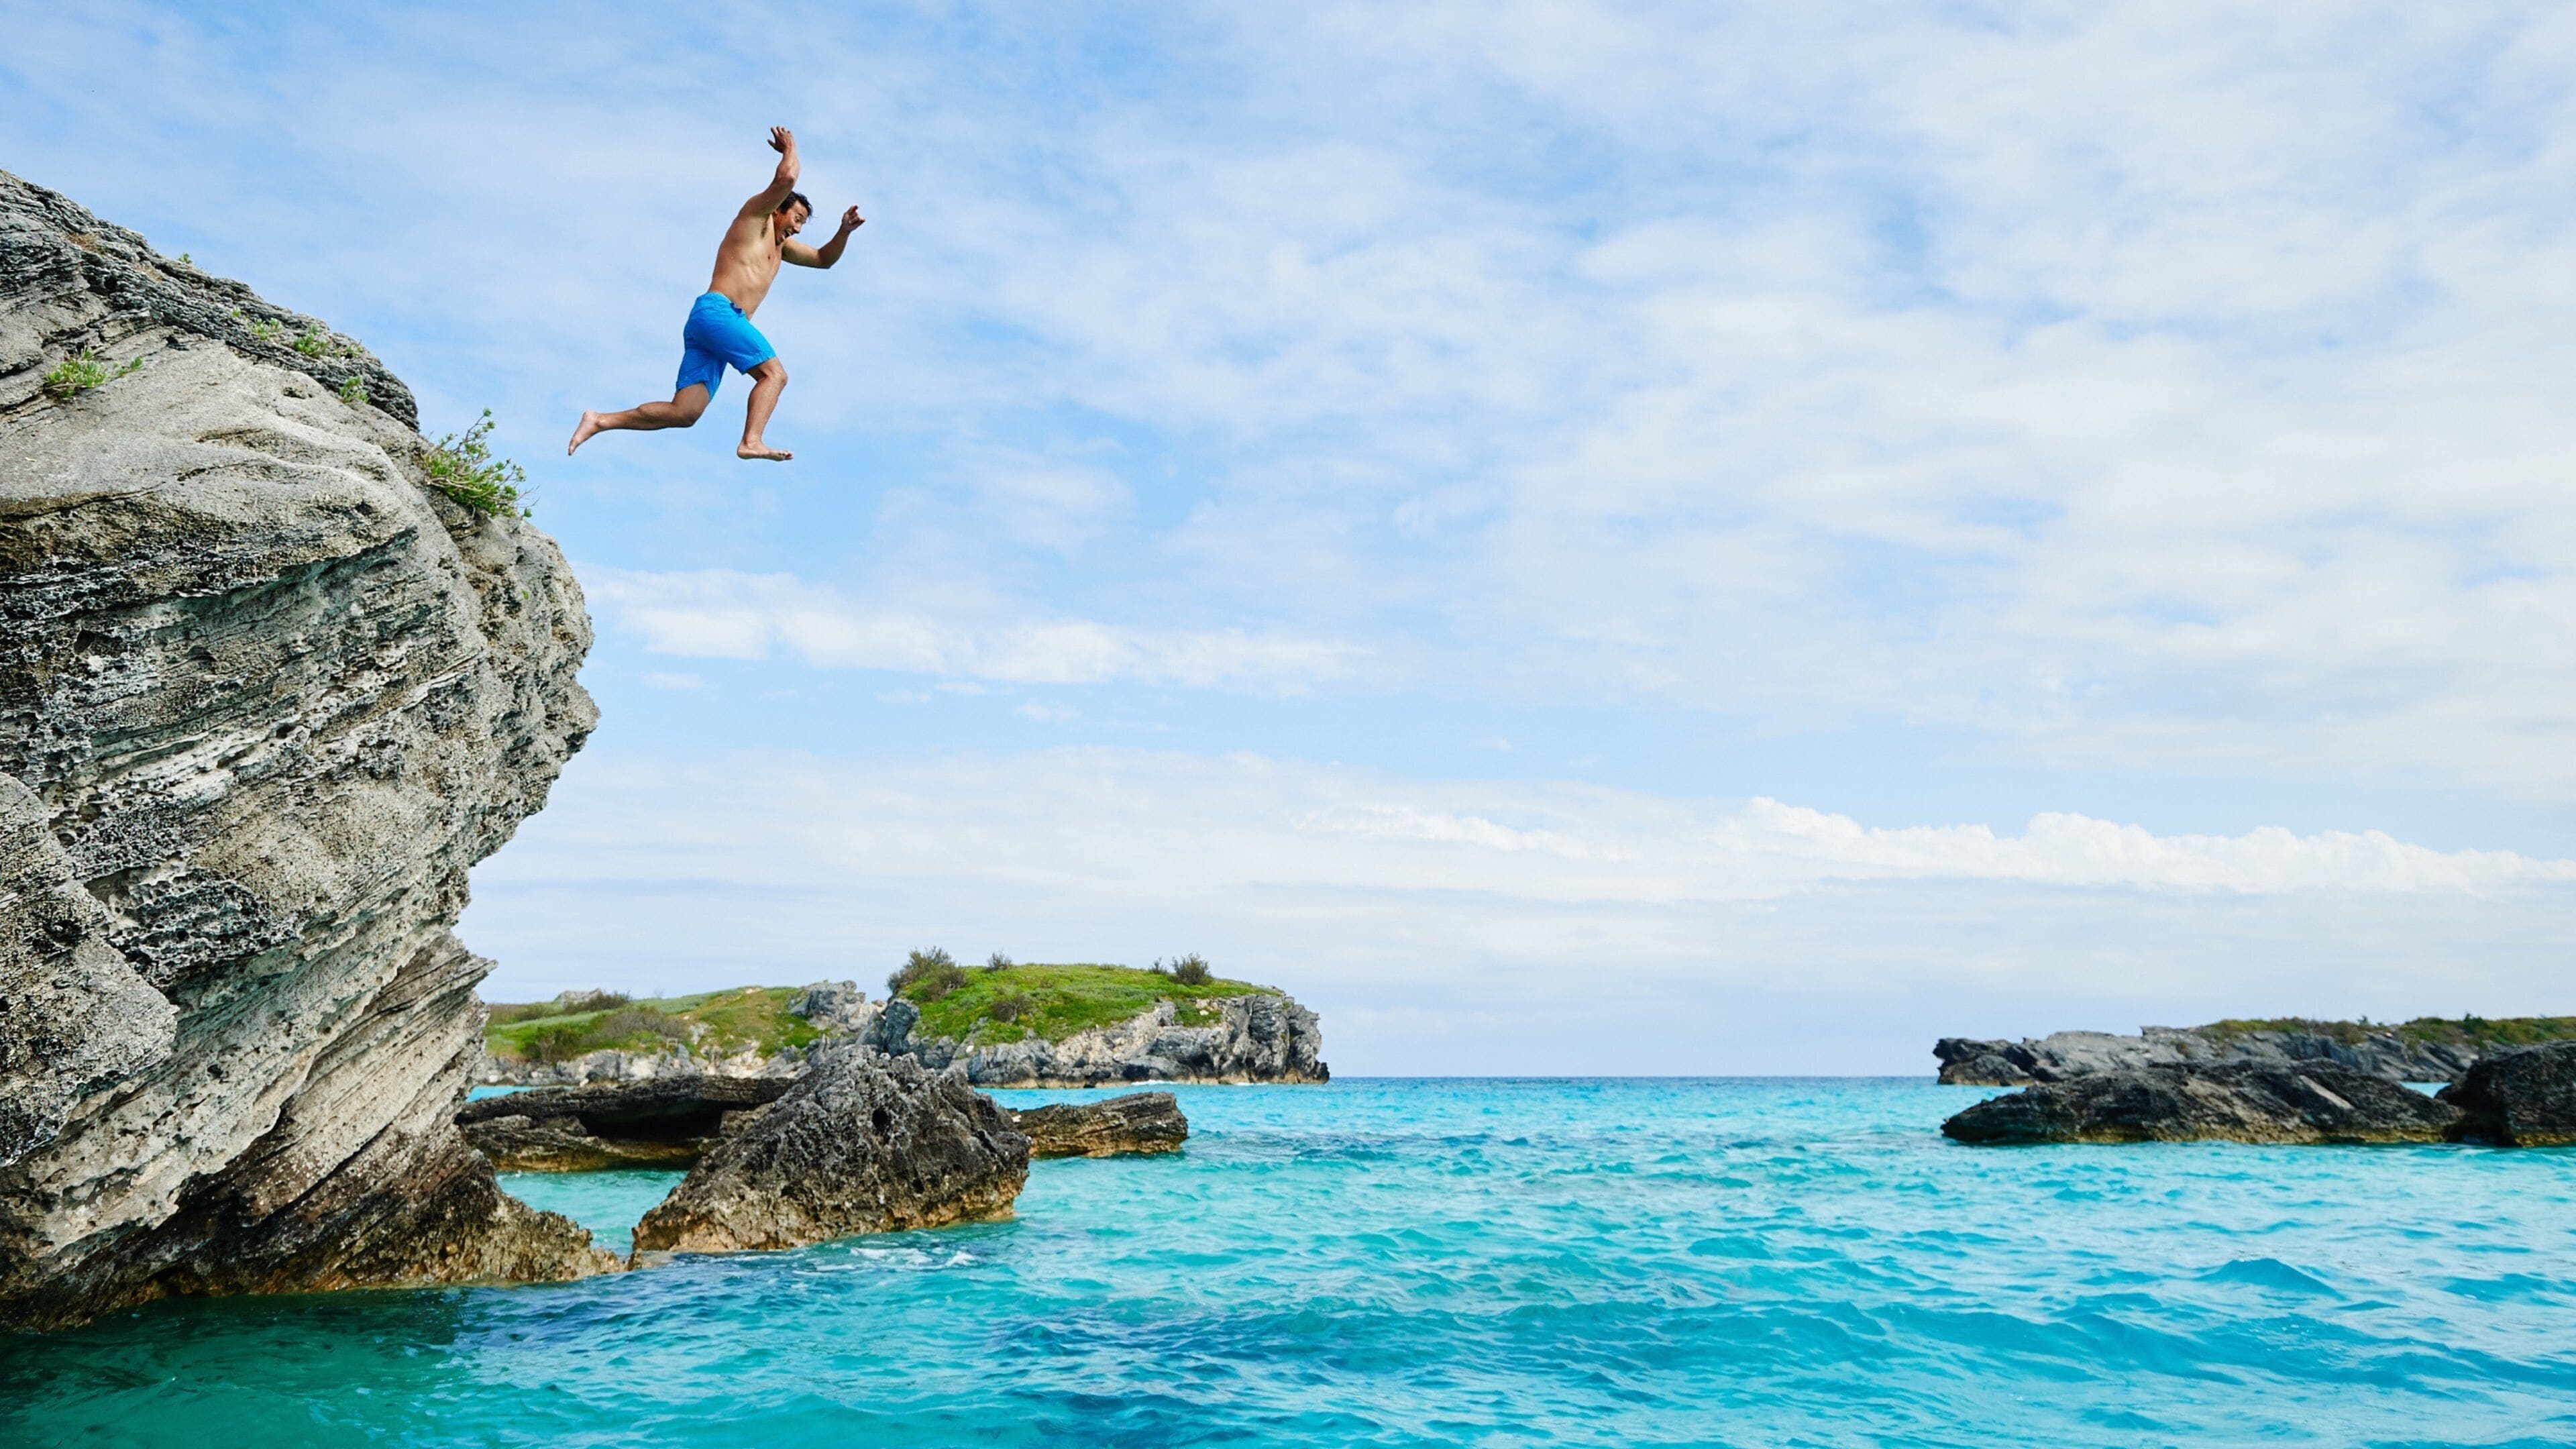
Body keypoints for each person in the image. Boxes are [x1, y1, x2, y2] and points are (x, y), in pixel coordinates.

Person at [569, 127, 861, 462]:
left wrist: (844, 231)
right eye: (796, 219)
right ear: (777, 210)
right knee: (774, 376)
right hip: (719, 313)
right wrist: (790, 148)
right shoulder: (754, 219)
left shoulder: (783, 248)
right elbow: (787, 179)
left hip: (713, 328)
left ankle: (600, 420)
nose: (796, 228)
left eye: (802, 225)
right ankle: (751, 441)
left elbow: (824, 259)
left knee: (685, 412)